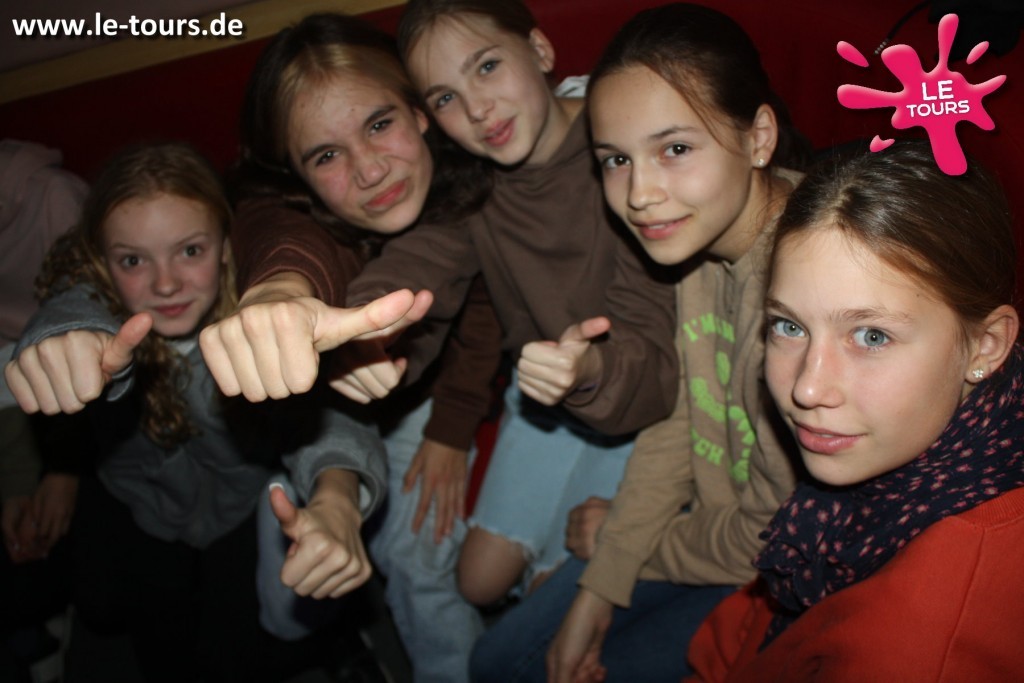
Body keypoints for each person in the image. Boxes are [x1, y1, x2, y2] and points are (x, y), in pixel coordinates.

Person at [469, 5, 811, 681]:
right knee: (497, 659)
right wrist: (600, 587)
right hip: (709, 532)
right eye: (616, 161)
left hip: (788, 568)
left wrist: (625, 549)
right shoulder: (695, 249)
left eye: (675, 149)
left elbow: (770, 533)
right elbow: (680, 421)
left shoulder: (800, 289)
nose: (641, 195)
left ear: (759, 137)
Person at [4, 142, 412, 682]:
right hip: (143, 499)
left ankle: (336, 644)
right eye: (133, 260)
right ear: (103, 263)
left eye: (190, 251)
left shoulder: (253, 318)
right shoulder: (98, 303)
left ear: (224, 247)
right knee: (126, 625)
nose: (166, 283)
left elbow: (326, 419)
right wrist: (62, 339)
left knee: (242, 652)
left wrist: (337, 497)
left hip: (237, 500)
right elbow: (73, 310)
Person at [340, 0, 679, 614]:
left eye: (487, 66)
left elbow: (654, 330)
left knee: (551, 603)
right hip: (546, 389)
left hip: (643, 386)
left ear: (541, 50)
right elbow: (424, 256)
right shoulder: (475, 182)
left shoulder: (620, 144)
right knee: (476, 582)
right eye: (446, 98)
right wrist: (362, 319)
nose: (477, 109)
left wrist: (590, 369)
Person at [196, 13, 503, 681]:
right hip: (309, 410)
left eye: (379, 124)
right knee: (286, 608)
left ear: (420, 112)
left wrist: (451, 429)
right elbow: (283, 243)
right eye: (326, 156)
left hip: (414, 401)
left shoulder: (469, 189)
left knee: (420, 560)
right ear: (296, 175)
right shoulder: (284, 213)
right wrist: (280, 293)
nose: (368, 170)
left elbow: (483, 315)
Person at [686, 141, 1024, 682]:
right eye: (789, 326)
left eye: (871, 336)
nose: (807, 388)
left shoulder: (916, 646)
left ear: (985, 346)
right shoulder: (903, 455)